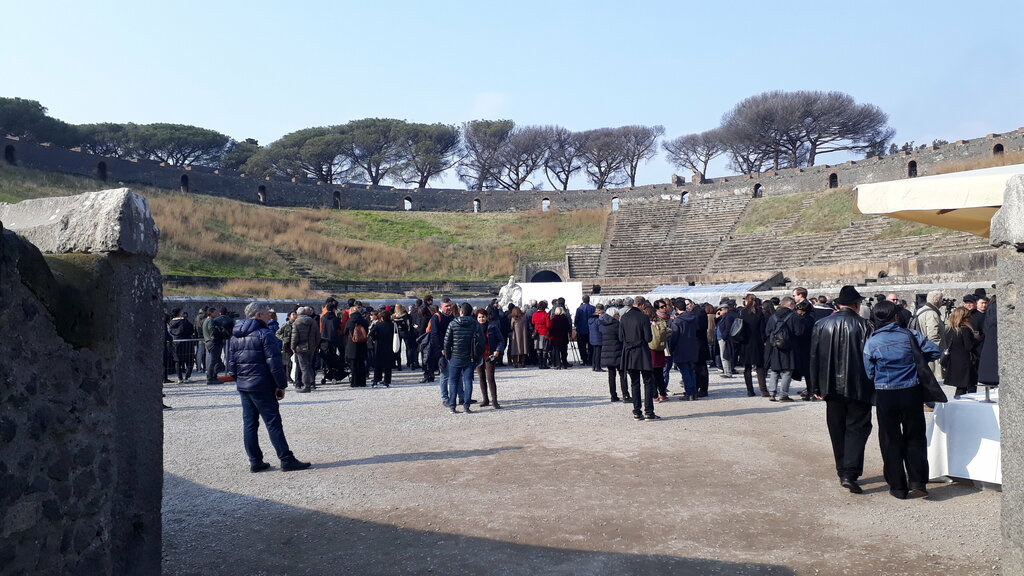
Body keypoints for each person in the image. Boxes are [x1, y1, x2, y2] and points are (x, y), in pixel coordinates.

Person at [863, 301, 941, 499]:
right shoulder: (910, 335)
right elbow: (935, 351)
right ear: (896, 316)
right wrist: (916, 362)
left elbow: (870, 372)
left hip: (885, 392)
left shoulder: (872, 342)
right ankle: (917, 480)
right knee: (915, 436)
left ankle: (897, 486)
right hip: (911, 390)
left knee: (890, 439)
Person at [226, 301, 310, 473]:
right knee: (273, 422)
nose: (269, 316)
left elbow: (231, 364)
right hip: (262, 385)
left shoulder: (235, 335)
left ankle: (255, 460)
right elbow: (275, 364)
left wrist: (240, 380)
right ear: (258, 315)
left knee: (249, 424)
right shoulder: (265, 334)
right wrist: (281, 385)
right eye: (266, 314)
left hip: (244, 385)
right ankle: (286, 459)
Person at [809, 285, 874, 495]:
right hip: (858, 385)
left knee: (837, 428)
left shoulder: (822, 324)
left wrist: (815, 386)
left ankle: (842, 469)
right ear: (856, 305)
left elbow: (814, 357)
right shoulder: (866, 326)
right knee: (858, 427)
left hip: (830, 386)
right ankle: (850, 471)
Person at [619, 297, 658, 421]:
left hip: (629, 353)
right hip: (642, 352)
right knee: (648, 382)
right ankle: (649, 412)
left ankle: (636, 411)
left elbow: (620, 337)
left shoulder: (624, 317)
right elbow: (648, 338)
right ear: (640, 305)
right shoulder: (643, 318)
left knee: (634, 383)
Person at [444, 302, 484, 414]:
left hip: (455, 356)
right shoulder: (475, 324)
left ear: (461, 312)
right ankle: (466, 406)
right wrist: (478, 357)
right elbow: (481, 342)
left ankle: (452, 405)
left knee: (453, 381)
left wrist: (448, 356)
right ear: (471, 312)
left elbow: (447, 342)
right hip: (470, 357)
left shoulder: (453, 324)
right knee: (468, 381)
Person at [763, 297, 801, 402]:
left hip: (775, 347)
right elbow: (799, 332)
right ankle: (783, 395)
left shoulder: (773, 316)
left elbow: (767, 331)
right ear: (791, 305)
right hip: (789, 348)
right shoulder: (794, 316)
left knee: (775, 370)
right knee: (787, 371)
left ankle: (772, 393)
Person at [941, 307, 980, 398]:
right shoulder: (965, 329)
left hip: (954, 361)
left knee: (960, 387)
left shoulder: (949, 330)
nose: (970, 318)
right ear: (964, 318)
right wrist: (977, 339)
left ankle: (957, 405)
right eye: (968, 317)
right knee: (970, 387)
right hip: (966, 362)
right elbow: (969, 347)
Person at [909, 291, 946, 382]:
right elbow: (933, 336)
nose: (942, 303)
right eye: (941, 300)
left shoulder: (920, 310)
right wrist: (939, 353)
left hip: (923, 349)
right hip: (931, 352)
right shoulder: (931, 314)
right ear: (937, 301)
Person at [668, 298, 699, 401]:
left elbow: (674, 336)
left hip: (681, 348)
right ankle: (694, 392)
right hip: (692, 346)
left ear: (676, 308)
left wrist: (671, 348)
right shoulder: (693, 317)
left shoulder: (677, 321)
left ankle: (689, 393)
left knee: (685, 372)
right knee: (691, 371)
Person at [736, 295, 768, 397]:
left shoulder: (742, 313)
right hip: (757, 342)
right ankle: (763, 389)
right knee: (760, 367)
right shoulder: (759, 313)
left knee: (747, 368)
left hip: (745, 342)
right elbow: (762, 329)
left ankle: (750, 390)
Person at [476, 308, 505, 409]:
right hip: (479, 356)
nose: (481, 319)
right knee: (481, 377)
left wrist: (498, 350)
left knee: (490, 378)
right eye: (479, 317)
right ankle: (485, 399)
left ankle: (494, 400)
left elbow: (501, 340)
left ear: (486, 317)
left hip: (490, 355)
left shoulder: (493, 327)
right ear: (477, 318)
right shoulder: (474, 328)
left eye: (483, 317)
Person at [600, 307, 629, 402]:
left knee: (611, 375)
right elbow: (621, 338)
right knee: (622, 374)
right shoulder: (617, 325)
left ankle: (613, 395)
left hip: (607, 352)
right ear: (614, 315)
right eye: (617, 315)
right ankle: (625, 394)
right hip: (618, 351)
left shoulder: (602, 324)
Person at [290, 307, 321, 393]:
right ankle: (311, 382)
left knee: (303, 367)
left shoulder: (296, 323)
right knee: (309, 365)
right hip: (311, 347)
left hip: (300, 347)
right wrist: (315, 345)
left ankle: (307, 385)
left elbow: (294, 337)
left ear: (298, 314)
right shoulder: (313, 322)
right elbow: (318, 335)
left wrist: (293, 347)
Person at [168, 308, 196, 383]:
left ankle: (180, 378)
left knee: (177, 361)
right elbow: (191, 329)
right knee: (189, 360)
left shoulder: (171, 322)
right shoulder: (184, 321)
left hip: (176, 343)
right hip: (186, 343)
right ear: (179, 313)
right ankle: (187, 377)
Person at [369, 309, 396, 387]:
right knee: (388, 365)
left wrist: (375, 339)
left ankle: (376, 379)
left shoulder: (378, 325)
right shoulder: (392, 325)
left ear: (382, 318)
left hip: (379, 345)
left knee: (378, 364)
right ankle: (387, 381)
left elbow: (371, 333)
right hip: (389, 345)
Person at [574, 295, 595, 366]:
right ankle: (590, 359)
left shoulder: (579, 309)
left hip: (581, 330)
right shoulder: (593, 308)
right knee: (591, 346)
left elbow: (576, 319)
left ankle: (584, 359)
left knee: (582, 346)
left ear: (583, 300)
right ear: (589, 300)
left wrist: (576, 326)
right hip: (591, 329)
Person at [531, 301, 551, 369]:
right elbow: (548, 325)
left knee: (538, 350)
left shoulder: (534, 314)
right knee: (545, 350)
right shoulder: (546, 315)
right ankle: (544, 364)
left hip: (537, 333)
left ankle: (540, 364)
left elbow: (533, 322)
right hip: (544, 333)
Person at [588, 304, 605, 372]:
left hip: (592, 337)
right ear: (600, 311)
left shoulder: (590, 319)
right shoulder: (598, 320)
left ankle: (594, 366)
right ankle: (598, 367)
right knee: (598, 353)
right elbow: (601, 329)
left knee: (594, 352)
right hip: (598, 337)